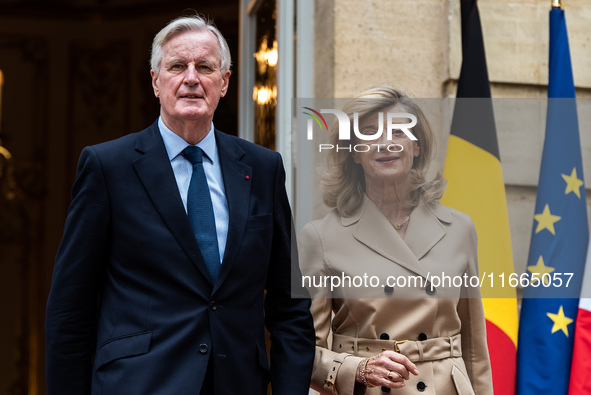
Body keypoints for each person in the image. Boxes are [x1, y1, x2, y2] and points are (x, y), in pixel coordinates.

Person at [45, 15, 315, 395]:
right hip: (138, 385)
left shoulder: (263, 168)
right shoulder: (109, 167)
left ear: (224, 82)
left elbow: (290, 308)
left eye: (205, 67)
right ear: (156, 81)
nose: (191, 78)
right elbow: (70, 310)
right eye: (177, 66)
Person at [299, 86, 492, 395]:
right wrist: (358, 369)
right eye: (370, 133)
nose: (386, 143)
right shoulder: (320, 237)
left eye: (399, 132)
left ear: (416, 146)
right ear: (354, 152)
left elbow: (474, 349)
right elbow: (303, 351)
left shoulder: (460, 229)